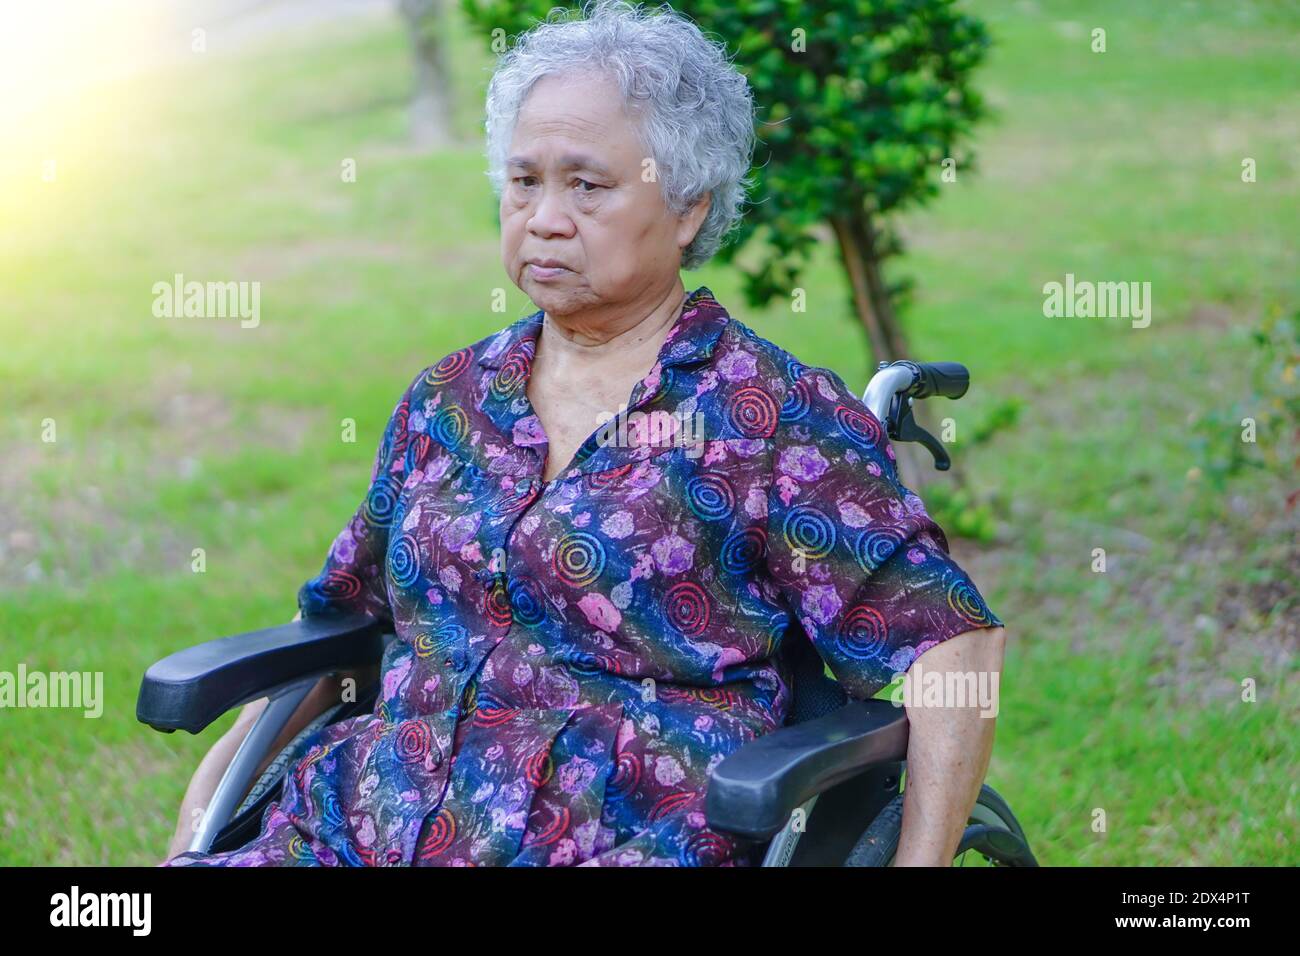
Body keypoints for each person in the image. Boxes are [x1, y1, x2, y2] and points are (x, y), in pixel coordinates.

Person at [163, 0, 1005, 867]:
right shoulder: (451, 399)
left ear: (685, 209)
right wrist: (202, 819)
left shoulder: (772, 418)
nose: (545, 217)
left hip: (622, 837)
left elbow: (952, 642)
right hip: (363, 823)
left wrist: (919, 862)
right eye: (524, 181)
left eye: (587, 184)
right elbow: (344, 621)